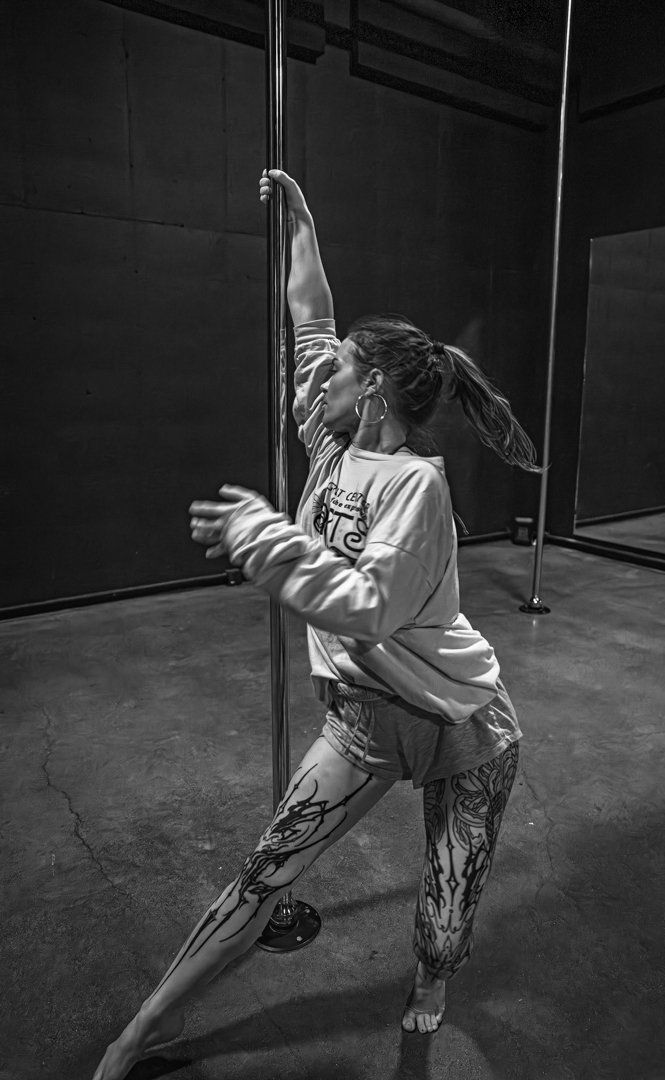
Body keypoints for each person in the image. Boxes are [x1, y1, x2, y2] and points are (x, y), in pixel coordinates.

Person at [91, 169, 541, 1080]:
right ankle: (141, 1032)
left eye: (337, 371)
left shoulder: (417, 486)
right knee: (265, 871)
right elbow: (311, 320)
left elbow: (366, 605)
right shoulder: (331, 441)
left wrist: (264, 538)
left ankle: (432, 980)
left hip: (465, 727)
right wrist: (301, 223)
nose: (317, 374)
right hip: (365, 721)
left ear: (370, 389)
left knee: (445, 913)